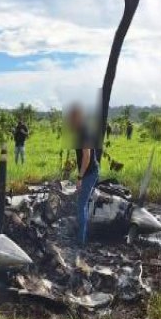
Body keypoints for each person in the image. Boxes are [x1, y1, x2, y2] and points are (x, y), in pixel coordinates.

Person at [68, 105, 99, 246]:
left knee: (81, 205)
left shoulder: (84, 132)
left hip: (90, 173)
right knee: (82, 203)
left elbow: (87, 156)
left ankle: (81, 241)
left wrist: (80, 177)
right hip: (88, 171)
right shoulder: (82, 130)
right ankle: (81, 234)